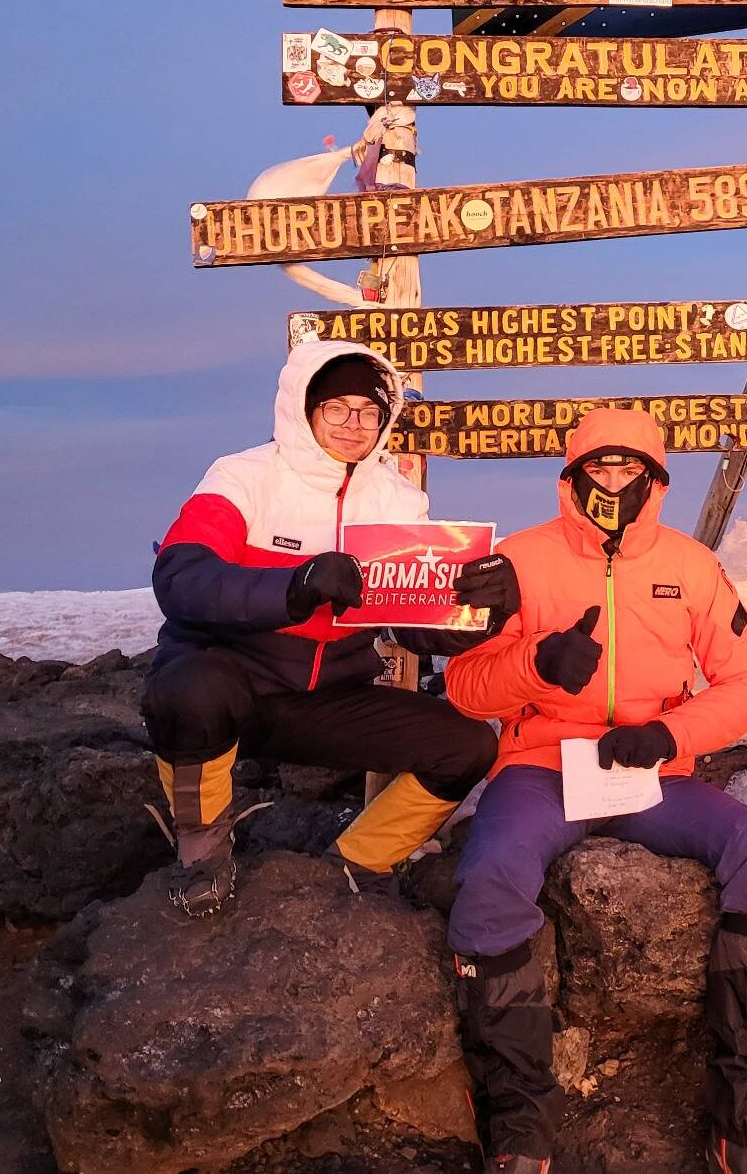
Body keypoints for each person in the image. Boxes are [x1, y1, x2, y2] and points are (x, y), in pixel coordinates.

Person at [443, 408, 747, 1174]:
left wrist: (671, 737)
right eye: (596, 470)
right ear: (570, 478)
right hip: (541, 767)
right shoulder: (519, 561)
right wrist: (536, 667)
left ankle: (745, 1121)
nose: (612, 483)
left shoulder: (692, 566)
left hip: (649, 774)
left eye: (627, 470)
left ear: (656, 479)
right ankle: (520, 1129)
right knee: (489, 879)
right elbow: (466, 688)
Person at [141, 339, 499, 917]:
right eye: (337, 408)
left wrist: (479, 612)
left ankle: (358, 863)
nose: (353, 424)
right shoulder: (244, 476)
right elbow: (182, 577)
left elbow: (413, 626)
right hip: (233, 689)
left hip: (326, 701)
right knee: (190, 686)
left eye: (368, 411)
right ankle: (202, 849)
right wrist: (296, 584)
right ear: (304, 409)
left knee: (468, 746)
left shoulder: (397, 501)